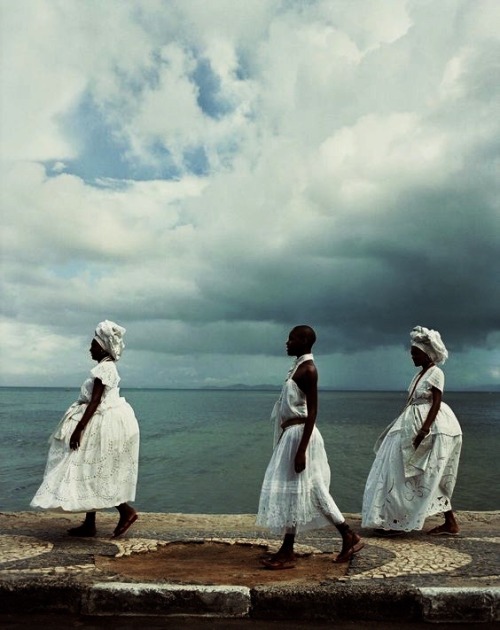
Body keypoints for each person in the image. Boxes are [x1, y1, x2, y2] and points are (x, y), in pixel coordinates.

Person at [256, 325, 363, 568]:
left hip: (301, 435)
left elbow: (313, 411)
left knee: (314, 489)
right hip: (292, 435)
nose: (286, 342)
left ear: (303, 341)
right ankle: (288, 548)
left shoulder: (309, 370)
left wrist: (302, 449)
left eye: (291, 339)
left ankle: (348, 535)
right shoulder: (298, 367)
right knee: (295, 491)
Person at [31, 320, 140, 538]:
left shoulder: (104, 368)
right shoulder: (106, 366)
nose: (90, 348)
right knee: (88, 468)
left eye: (93, 344)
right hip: (106, 419)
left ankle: (126, 511)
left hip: (100, 421)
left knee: (91, 468)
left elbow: (95, 401)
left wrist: (79, 428)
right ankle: (90, 524)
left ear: (102, 346)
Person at [362, 326, 462, 535]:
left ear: (427, 354)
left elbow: (436, 401)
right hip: (411, 421)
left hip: (432, 427)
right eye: (412, 353)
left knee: (426, 474)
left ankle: (402, 520)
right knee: (400, 469)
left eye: (415, 353)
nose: (412, 357)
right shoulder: (421, 374)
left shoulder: (436, 373)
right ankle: (398, 517)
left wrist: (424, 429)